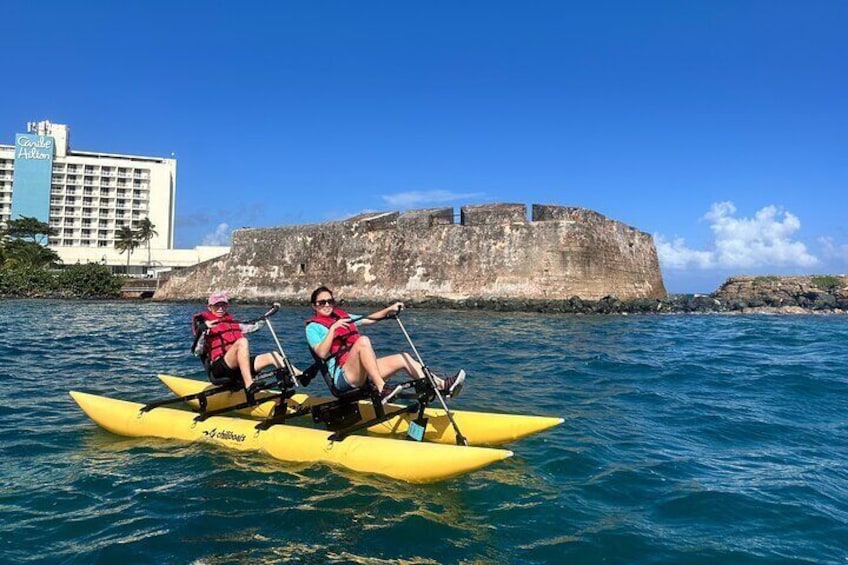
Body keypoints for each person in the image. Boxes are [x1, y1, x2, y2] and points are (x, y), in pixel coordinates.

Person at [304, 286, 465, 403]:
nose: (326, 305)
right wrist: (333, 330)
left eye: (330, 301)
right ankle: (382, 389)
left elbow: (369, 319)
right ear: (314, 306)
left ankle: (442, 386)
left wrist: (389, 309)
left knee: (403, 358)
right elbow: (321, 353)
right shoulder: (312, 327)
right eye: (321, 302)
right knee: (363, 341)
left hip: (365, 373)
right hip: (343, 377)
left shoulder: (342, 316)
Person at [192, 291, 292, 392]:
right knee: (242, 342)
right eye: (216, 306)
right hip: (220, 369)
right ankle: (249, 384)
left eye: (223, 305)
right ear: (209, 307)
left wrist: (268, 314)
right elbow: (197, 351)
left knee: (273, 356)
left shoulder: (233, 322)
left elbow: (254, 326)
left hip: (239, 367)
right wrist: (203, 330)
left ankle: (298, 375)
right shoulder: (204, 326)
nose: (220, 309)